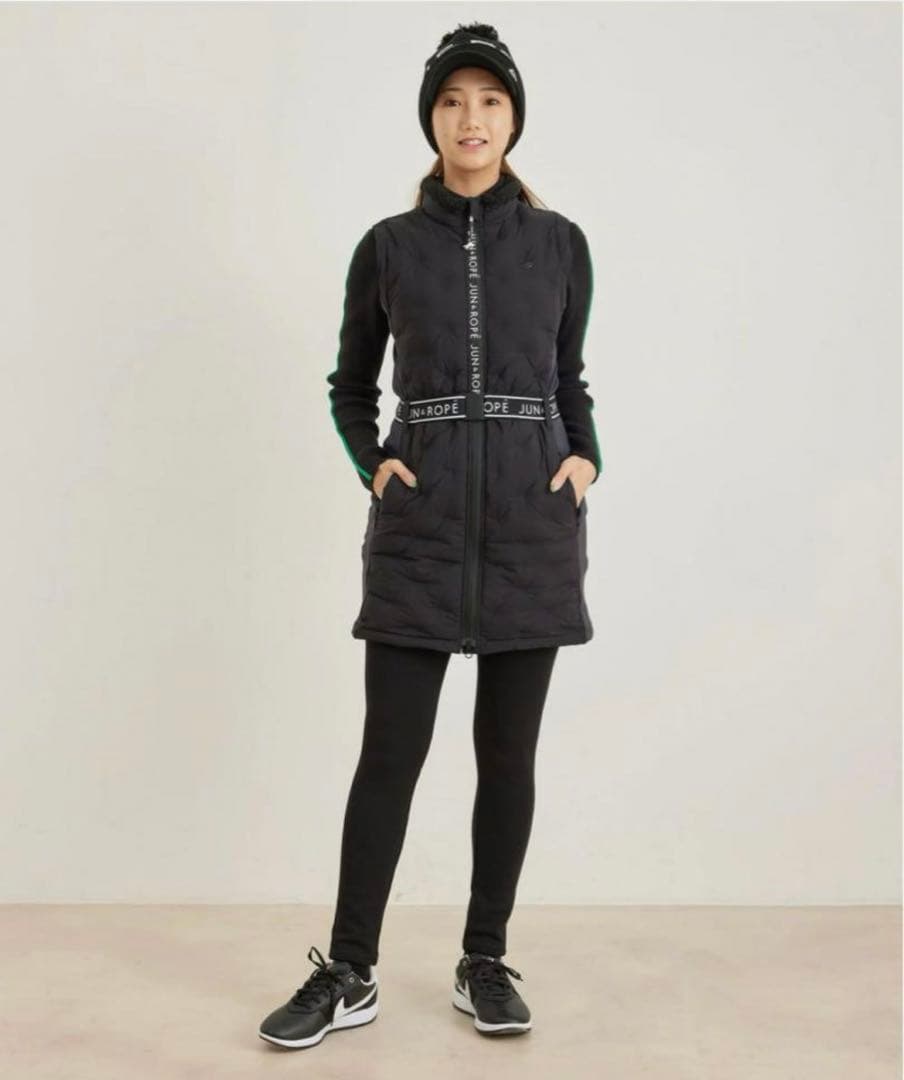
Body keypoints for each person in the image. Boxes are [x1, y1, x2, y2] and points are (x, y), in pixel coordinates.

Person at [259, 21, 603, 1051]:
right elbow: (348, 384)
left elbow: (569, 378)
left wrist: (584, 459)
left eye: (489, 101)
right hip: (419, 532)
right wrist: (374, 463)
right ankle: (349, 970)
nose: (471, 118)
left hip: (532, 531)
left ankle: (483, 960)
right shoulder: (388, 246)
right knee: (389, 756)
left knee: (508, 759)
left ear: (513, 118)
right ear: (432, 119)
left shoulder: (560, 243)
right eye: (452, 101)